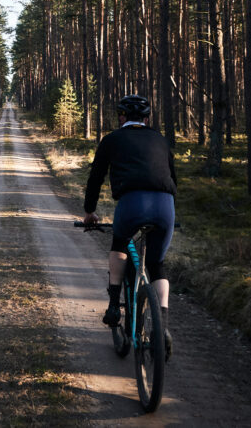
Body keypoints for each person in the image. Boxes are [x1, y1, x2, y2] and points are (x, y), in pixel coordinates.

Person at [83, 94, 176, 358]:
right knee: (157, 264)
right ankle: (163, 329)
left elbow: (96, 177)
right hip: (165, 205)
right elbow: (173, 178)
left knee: (120, 243)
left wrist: (90, 212)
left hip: (132, 203)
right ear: (147, 119)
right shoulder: (160, 139)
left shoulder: (112, 139)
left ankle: (114, 305)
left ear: (121, 117)